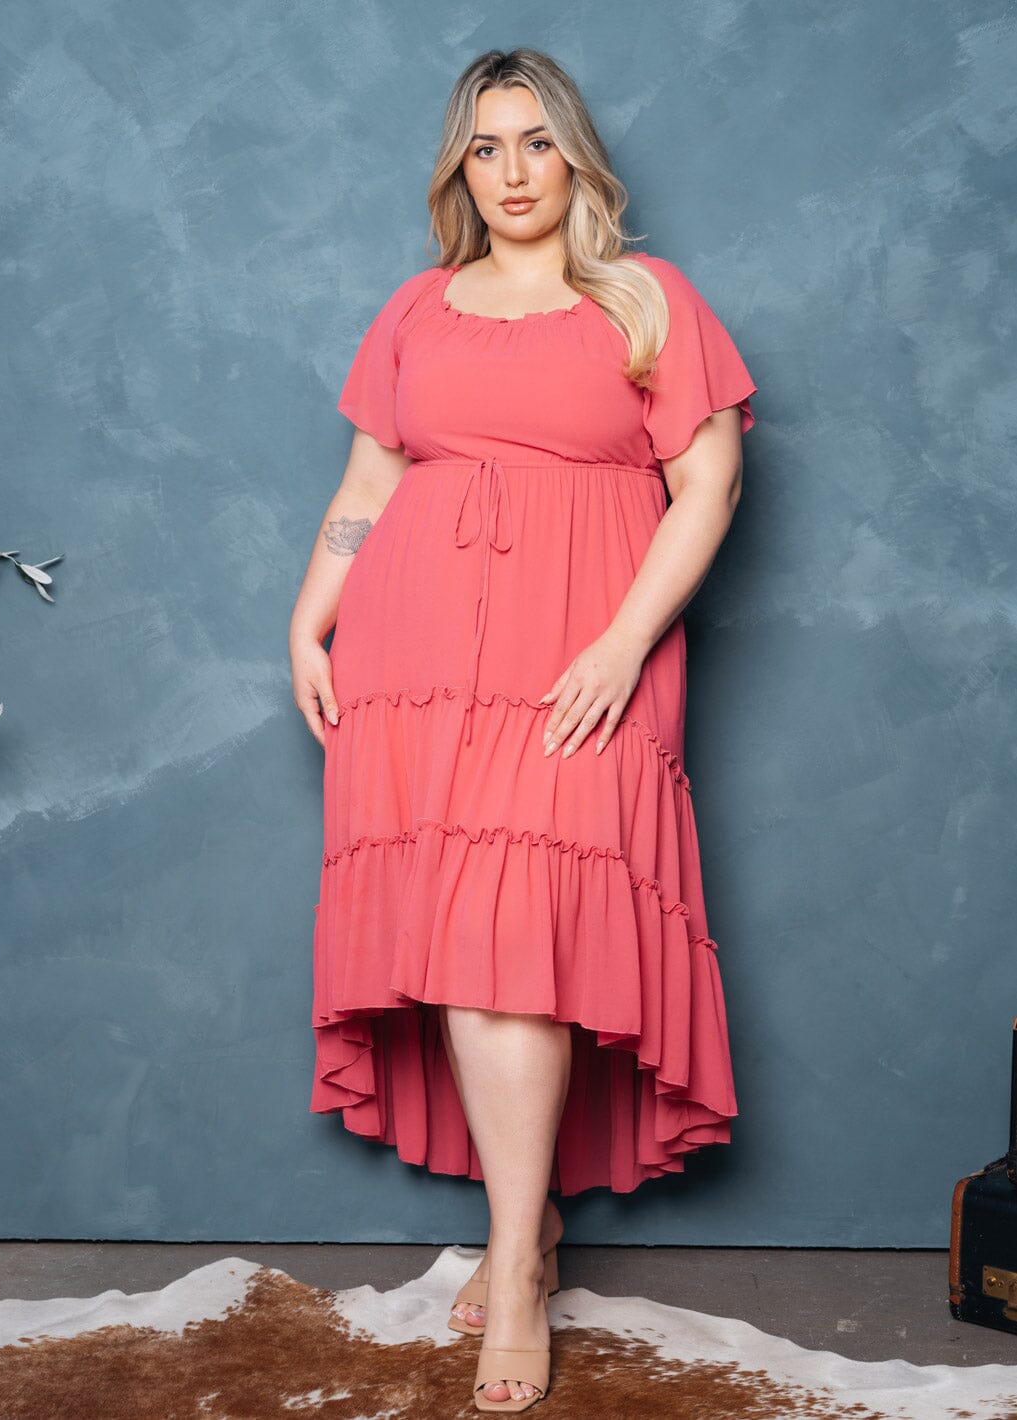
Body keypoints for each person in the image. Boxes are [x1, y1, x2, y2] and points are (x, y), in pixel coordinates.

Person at [289, 47, 758, 1414]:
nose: (511, 172)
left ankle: (515, 1271)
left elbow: (711, 483)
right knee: (464, 948)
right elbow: (370, 477)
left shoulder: (645, 300)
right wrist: (307, 621)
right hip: (416, 655)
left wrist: (621, 642)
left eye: (536, 143)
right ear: (459, 167)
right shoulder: (416, 308)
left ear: (575, 160)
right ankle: (525, 1230)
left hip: (584, 656)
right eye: (486, 147)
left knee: (515, 944)